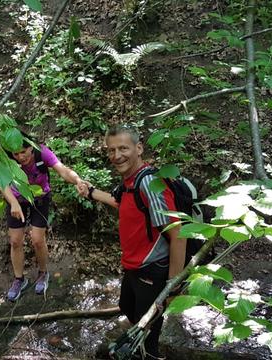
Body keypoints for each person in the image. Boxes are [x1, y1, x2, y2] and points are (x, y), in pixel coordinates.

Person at [76, 125, 187, 359]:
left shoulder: (149, 183)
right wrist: (90, 191)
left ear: (138, 148)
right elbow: (120, 201)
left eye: (123, 148)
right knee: (127, 307)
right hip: (133, 267)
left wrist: (173, 285)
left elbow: (178, 234)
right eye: (111, 150)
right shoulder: (130, 182)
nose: (116, 156)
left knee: (147, 337)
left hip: (153, 270)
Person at [2, 133, 87, 302]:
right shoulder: (5, 160)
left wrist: (78, 180)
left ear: (30, 147)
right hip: (16, 201)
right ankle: (19, 279)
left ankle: (42, 273)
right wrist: (13, 203)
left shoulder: (43, 153)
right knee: (15, 241)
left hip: (40, 198)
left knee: (37, 240)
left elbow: (62, 170)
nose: (20, 157)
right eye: (16, 154)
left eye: (23, 151)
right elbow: (2, 183)